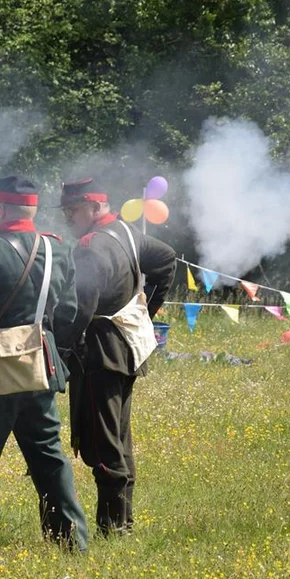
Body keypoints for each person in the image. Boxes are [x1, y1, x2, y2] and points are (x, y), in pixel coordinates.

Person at [0, 176, 88, 551]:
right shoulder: (58, 250)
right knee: (49, 455)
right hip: (39, 363)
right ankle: (71, 540)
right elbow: (67, 311)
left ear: (0, 208)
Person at [56, 178, 175, 536]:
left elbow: (82, 306)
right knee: (119, 439)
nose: (68, 217)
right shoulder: (124, 231)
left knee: (105, 442)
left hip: (100, 352)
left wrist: (61, 348)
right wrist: (143, 312)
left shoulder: (91, 247)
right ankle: (122, 522)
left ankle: (113, 527)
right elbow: (166, 260)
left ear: (94, 208)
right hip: (125, 347)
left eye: (73, 210)